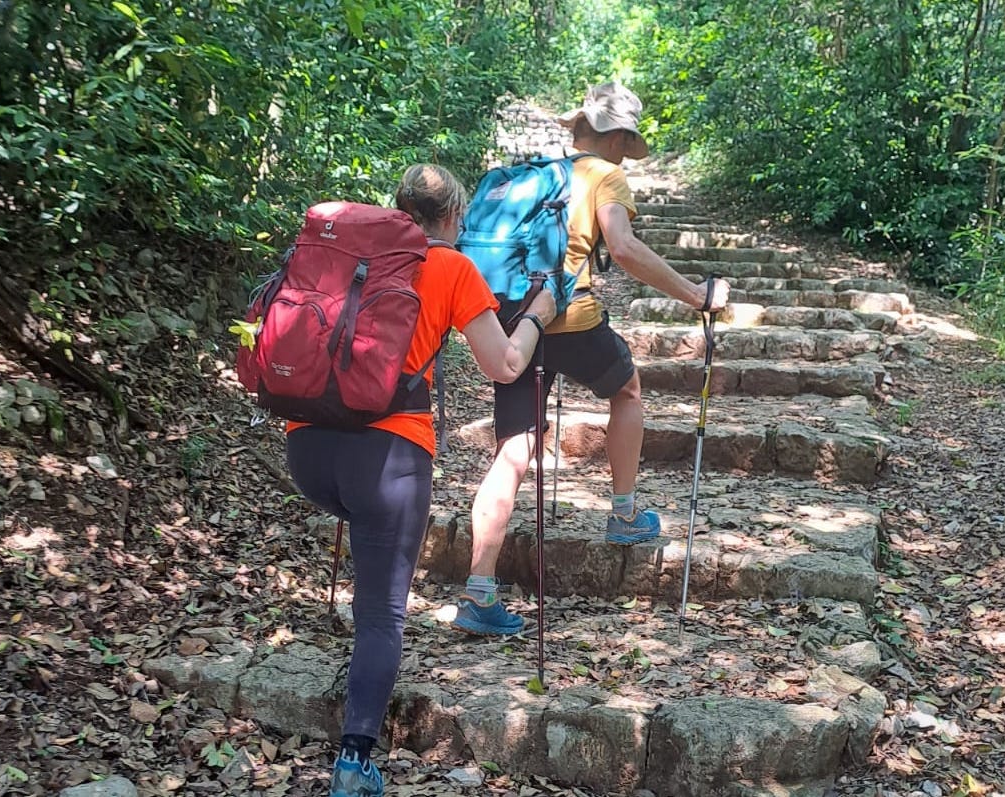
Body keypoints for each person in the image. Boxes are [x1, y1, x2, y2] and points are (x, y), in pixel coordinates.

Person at [283, 164, 556, 797]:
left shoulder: (352, 255)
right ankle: (353, 764)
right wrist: (538, 313)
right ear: (454, 218)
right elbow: (507, 364)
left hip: (307, 447)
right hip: (388, 458)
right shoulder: (451, 268)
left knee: (366, 544)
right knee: (381, 615)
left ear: (397, 208)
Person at [452, 82, 732, 637]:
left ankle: (480, 588)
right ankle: (625, 514)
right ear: (622, 138)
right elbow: (623, 249)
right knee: (626, 391)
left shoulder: (541, 175)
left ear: (578, 126)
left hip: (510, 320)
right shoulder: (606, 176)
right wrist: (697, 296)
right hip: (567, 317)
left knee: (514, 448)